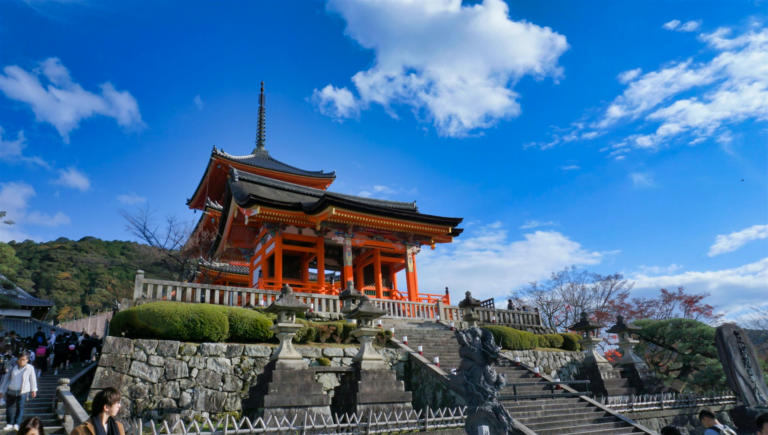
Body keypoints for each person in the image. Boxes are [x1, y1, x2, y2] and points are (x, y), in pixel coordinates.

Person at [0, 353, 37, 430]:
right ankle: (9, 423)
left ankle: (16, 423)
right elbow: (6, 379)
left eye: (24, 360)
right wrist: (1, 390)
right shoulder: (12, 367)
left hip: (22, 390)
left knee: (20, 407)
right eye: (20, 359)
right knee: (9, 407)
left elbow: (33, 379)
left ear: (27, 360)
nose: (22, 361)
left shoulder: (30, 368)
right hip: (11, 389)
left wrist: (34, 390)